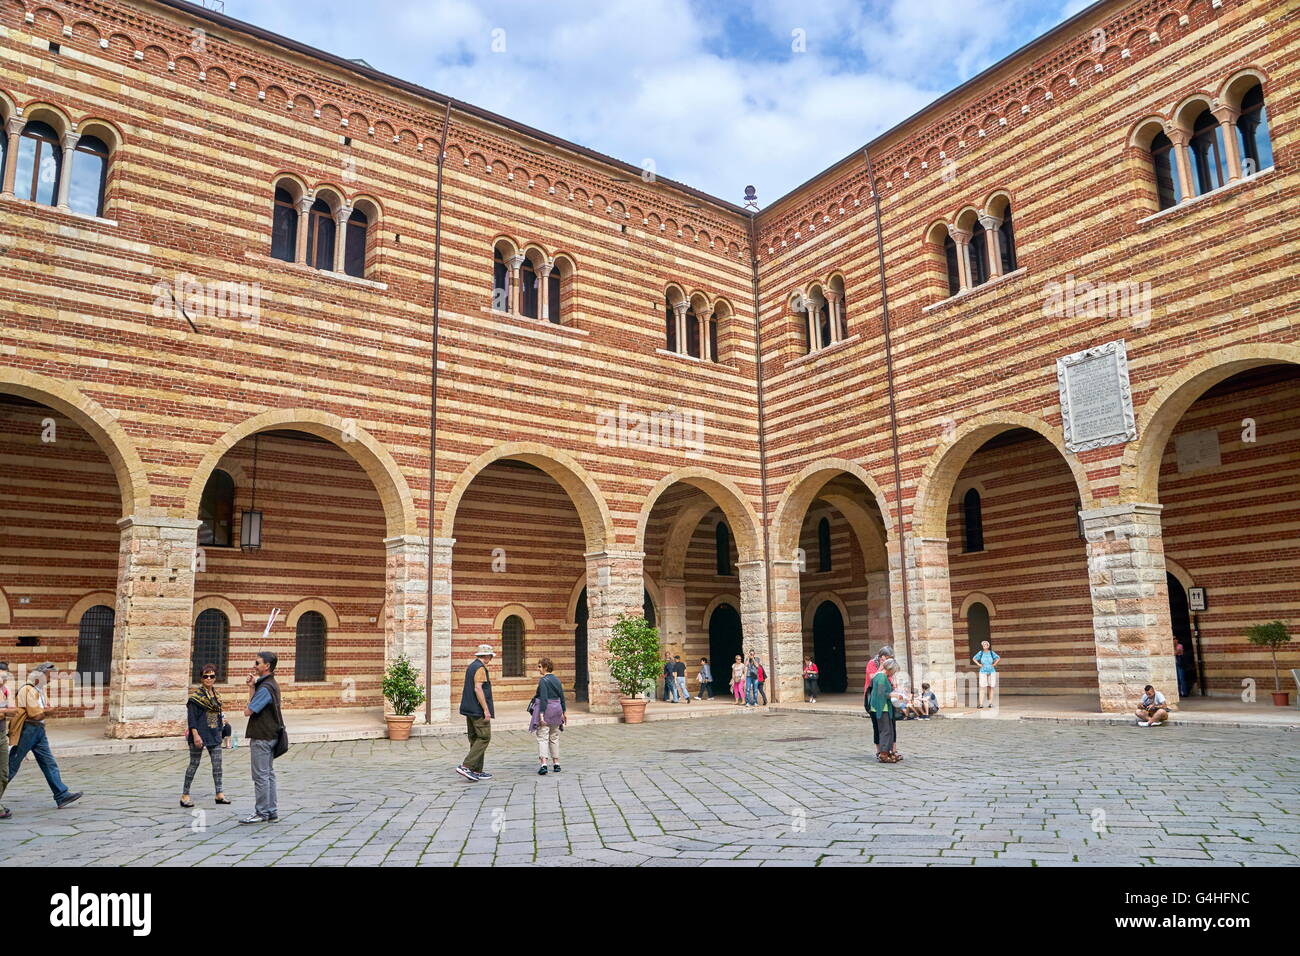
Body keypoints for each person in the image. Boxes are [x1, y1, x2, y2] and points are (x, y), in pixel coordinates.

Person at [6, 663, 82, 809]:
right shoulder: (27, 690)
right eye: (48, 676)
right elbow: (35, 715)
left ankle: (61, 795)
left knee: (48, 763)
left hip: (38, 730)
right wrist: (48, 711)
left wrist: (46, 711)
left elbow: (41, 711)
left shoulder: (39, 691)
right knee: (12, 765)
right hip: (27, 730)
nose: (50, 679)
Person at [240, 651, 284, 824]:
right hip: (270, 734)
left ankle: (261, 812)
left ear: (267, 666)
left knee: (260, 776)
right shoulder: (269, 684)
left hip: (262, 736)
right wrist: (252, 687)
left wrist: (252, 694)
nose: (254, 666)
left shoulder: (265, 688)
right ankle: (271, 811)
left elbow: (249, 710)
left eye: (257, 663)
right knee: (268, 774)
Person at [181, 664, 231, 808]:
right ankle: (185, 795)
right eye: (206, 676)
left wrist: (221, 722)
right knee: (194, 764)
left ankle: (219, 794)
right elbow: (192, 720)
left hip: (214, 735)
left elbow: (213, 716)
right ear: (201, 678)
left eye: (212, 676)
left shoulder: (216, 696)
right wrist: (196, 735)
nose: (209, 679)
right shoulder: (195, 698)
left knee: (217, 766)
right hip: (199, 735)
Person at [456, 644, 496, 782]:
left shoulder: (471, 666)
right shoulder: (480, 668)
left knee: (475, 738)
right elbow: (478, 689)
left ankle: (476, 770)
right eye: (490, 656)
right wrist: (486, 709)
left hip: (469, 708)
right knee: (484, 737)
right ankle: (466, 766)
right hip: (477, 709)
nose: (490, 659)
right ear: (485, 656)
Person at [529, 658, 566, 775]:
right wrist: (564, 712)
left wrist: (541, 715)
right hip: (557, 709)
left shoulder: (543, 680)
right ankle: (556, 764)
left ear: (545, 667)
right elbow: (562, 697)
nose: (538, 669)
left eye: (539, 666)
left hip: (547, 710)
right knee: (554, 737)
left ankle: (544, 764)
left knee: (543, 737)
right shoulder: (557, 680)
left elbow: (544, 698)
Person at [868, 658, 902, 763]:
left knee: (889, 730)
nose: (894, 673)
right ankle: (883, 753)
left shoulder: (880, 676)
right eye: (894, 671)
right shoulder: (881, 677)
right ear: (890, 669)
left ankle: (888, 751)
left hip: (884, 707)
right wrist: (893, 694)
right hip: (881, 708)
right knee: (885, 731)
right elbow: (881, 694)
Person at [0, 662, 16, 819]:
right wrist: (6, 711)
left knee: (4, 774)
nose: (2, 678)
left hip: (1, 734)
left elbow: (14, 711)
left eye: (5, 676)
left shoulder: (5, 690)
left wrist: (4, 711)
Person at [972, 640, 1000, 708]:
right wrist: (979, 664)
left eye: (986, 645)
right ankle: (981, 704)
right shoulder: (981, 653)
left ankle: (990, 703)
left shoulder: (991, 652)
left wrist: (994, 664)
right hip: (983, 671)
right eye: (983, 645)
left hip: (991, 671)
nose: (985, 646)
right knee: (982, 687)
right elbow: (974, 658)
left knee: (991, 687)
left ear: (988, 646)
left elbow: (998, 658)